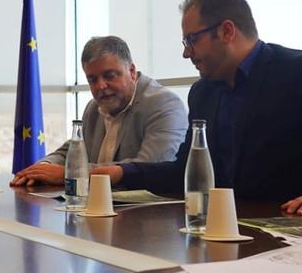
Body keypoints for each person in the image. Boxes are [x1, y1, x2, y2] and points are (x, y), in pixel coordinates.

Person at [90, 0, 302, 210]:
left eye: (191, 40)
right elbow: (184, 171)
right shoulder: (203, 92)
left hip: (293, 227)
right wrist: (122, 172)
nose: (186, 53)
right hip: (223, 229)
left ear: (227, 31)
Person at [11, 35, 186, 186]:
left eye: (110, 76)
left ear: (131, 71)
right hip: (97, 208)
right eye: (92, 79)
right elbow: (70, 152)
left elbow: (148, 167)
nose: (101, 86)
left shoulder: (164, 105)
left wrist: (69, 174)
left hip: (149, 217)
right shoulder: (94, 108)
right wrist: (42, 168)